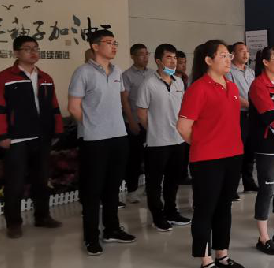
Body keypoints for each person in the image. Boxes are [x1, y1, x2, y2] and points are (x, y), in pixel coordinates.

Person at [177, 40, 246, 268]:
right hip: (207, 159)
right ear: (208, 60)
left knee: (224, 207)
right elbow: (183, 127)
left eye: (229, 55)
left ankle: (222, 255)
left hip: (233, 155)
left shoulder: (232, 86)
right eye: (223, 55)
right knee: (205, 209)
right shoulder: (198, 89)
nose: (228, 60)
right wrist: (204, 142)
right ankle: (205, 262)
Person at [68, 30, 137, 255]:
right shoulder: (83, 72)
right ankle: (91, 237)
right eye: (108, 43)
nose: (113, 46)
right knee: (92, 190)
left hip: (118, 136)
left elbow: (120, 101)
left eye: (115, 43)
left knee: (113, 187)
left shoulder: (117, 71)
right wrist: (91, 126)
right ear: (95, 47)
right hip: (95, 140)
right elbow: (74, 107)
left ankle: (112, 229)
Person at [0, 35, 63, 238]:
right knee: (15, 182)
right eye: (28, 49)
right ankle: (13, 223)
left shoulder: (45, 77)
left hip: (42, 136)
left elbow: (54, 106)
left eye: (36, 48)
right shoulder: (4, 77)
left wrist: (57, 130)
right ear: (16, 53)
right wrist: (1, 135)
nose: (33, 52)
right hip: (17, 138)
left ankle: (43, 216)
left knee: (41, 180)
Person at [136, 44, 191, 232]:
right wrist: (154, 129)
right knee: (154, 182)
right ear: (158, 61)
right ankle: (157, 216)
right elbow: (142, 113)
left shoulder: (179, 82)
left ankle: (171, 211)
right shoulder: (148, 83)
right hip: (157, 142)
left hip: (178, 139)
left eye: (175, 58)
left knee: (173, 180)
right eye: (169, 58)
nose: (173, 61)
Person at [248, 47, 274, 255]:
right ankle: (263, 237)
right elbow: (270, 117)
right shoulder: (258, 85)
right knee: (267, 189)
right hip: (268, 145)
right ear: (265, 62)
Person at [121, 43, 151, 202]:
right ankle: (131, 191)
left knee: (152, 158)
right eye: (141, 54)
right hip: (135, 122)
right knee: (134, 158)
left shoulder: (153, 74)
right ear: (132, 56)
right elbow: (124, 100)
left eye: (147, 53)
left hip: (152, 123)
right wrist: (131, 122)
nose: (145, 57)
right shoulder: (127, 75)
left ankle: (151, 188)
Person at [228, 41, 259, 195]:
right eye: (241, 51)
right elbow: (232, 95)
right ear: (233, 54)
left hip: (251, 115)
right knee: (237, 151)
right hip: (238, 115)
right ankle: (232, 187)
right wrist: (251, 104)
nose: (246, 54)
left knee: (250, 150)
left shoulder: (250, 72)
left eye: (247, 51)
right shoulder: (229, 72)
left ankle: (248, 182)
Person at [174, 50, 193, 185]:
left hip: (188, 117)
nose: (183, 65)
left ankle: (184, 174)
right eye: (180, 63)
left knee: (186, 150)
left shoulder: (187, 79)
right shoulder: (171, 79)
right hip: (175, 119)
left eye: (185, 62)